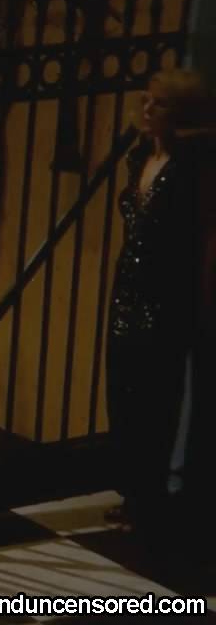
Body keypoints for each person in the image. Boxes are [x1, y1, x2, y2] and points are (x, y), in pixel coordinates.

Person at [105, 68, 215, 535]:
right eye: (146, 99)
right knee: (122, 386)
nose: (148, 109)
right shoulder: (139, 157)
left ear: (182, 113)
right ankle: (132, 490)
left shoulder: (193, 165)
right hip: (129, 284)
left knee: (156, 393)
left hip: (168, 291)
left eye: (161, 103)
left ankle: (151, 498)